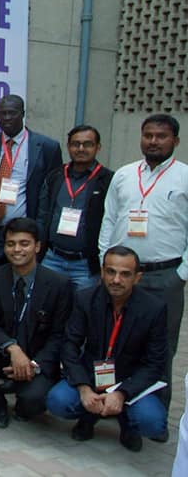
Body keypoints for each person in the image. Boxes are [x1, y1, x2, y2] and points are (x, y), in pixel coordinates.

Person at [98, 113, 187, 422]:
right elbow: (109, 219)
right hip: (118, 275)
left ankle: (155, 414)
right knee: (109, 338)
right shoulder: (123, 174)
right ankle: (103, 404)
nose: (153, 141)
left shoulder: (184, 177)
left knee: (160, 347)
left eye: (161, 136)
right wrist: (103, 261)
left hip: (165, 275)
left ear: (175, 141)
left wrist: (181, 274)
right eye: (148, 135)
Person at [46, 246, 168, 452]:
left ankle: (128, 424)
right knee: (57, 401)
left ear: (137, 277)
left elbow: (155, 363)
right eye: (111, 272)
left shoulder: (154, 308)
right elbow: (69, 346)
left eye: (125, 274)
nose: (116, 280)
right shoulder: (85, 299)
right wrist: (83, 387)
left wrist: (121, 393)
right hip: (91, 376)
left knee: (153, 422)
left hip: (130, 380)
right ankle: (88, 415)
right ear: (102, 272)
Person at [0, 217, 71, 428]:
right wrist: (12, 348)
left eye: (24, 244)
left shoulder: (59, 284)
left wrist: (33, 365)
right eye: (10, 244)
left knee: (34, 401)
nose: (17, 250)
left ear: (38, 246)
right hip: (3, 354)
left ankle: (23, 402)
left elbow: (59, 335)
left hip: (36, 361)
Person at [0, 95, 63, 276]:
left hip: (24, 233)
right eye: (2, 113)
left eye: (12, 113)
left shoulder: (47, 147)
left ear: (22, 114)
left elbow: (52, 194)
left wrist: (39, 232)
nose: (7, 118)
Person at [36, 125, 113, 290]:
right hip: (52, 259)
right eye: (75, 144)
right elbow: (42, 215)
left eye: (88, 144)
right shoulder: (55, 176)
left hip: (85, 264)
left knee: (83, 311)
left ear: (98, 147)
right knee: (47, 309)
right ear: (68, 146)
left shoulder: (108, 180)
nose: (81, 148)